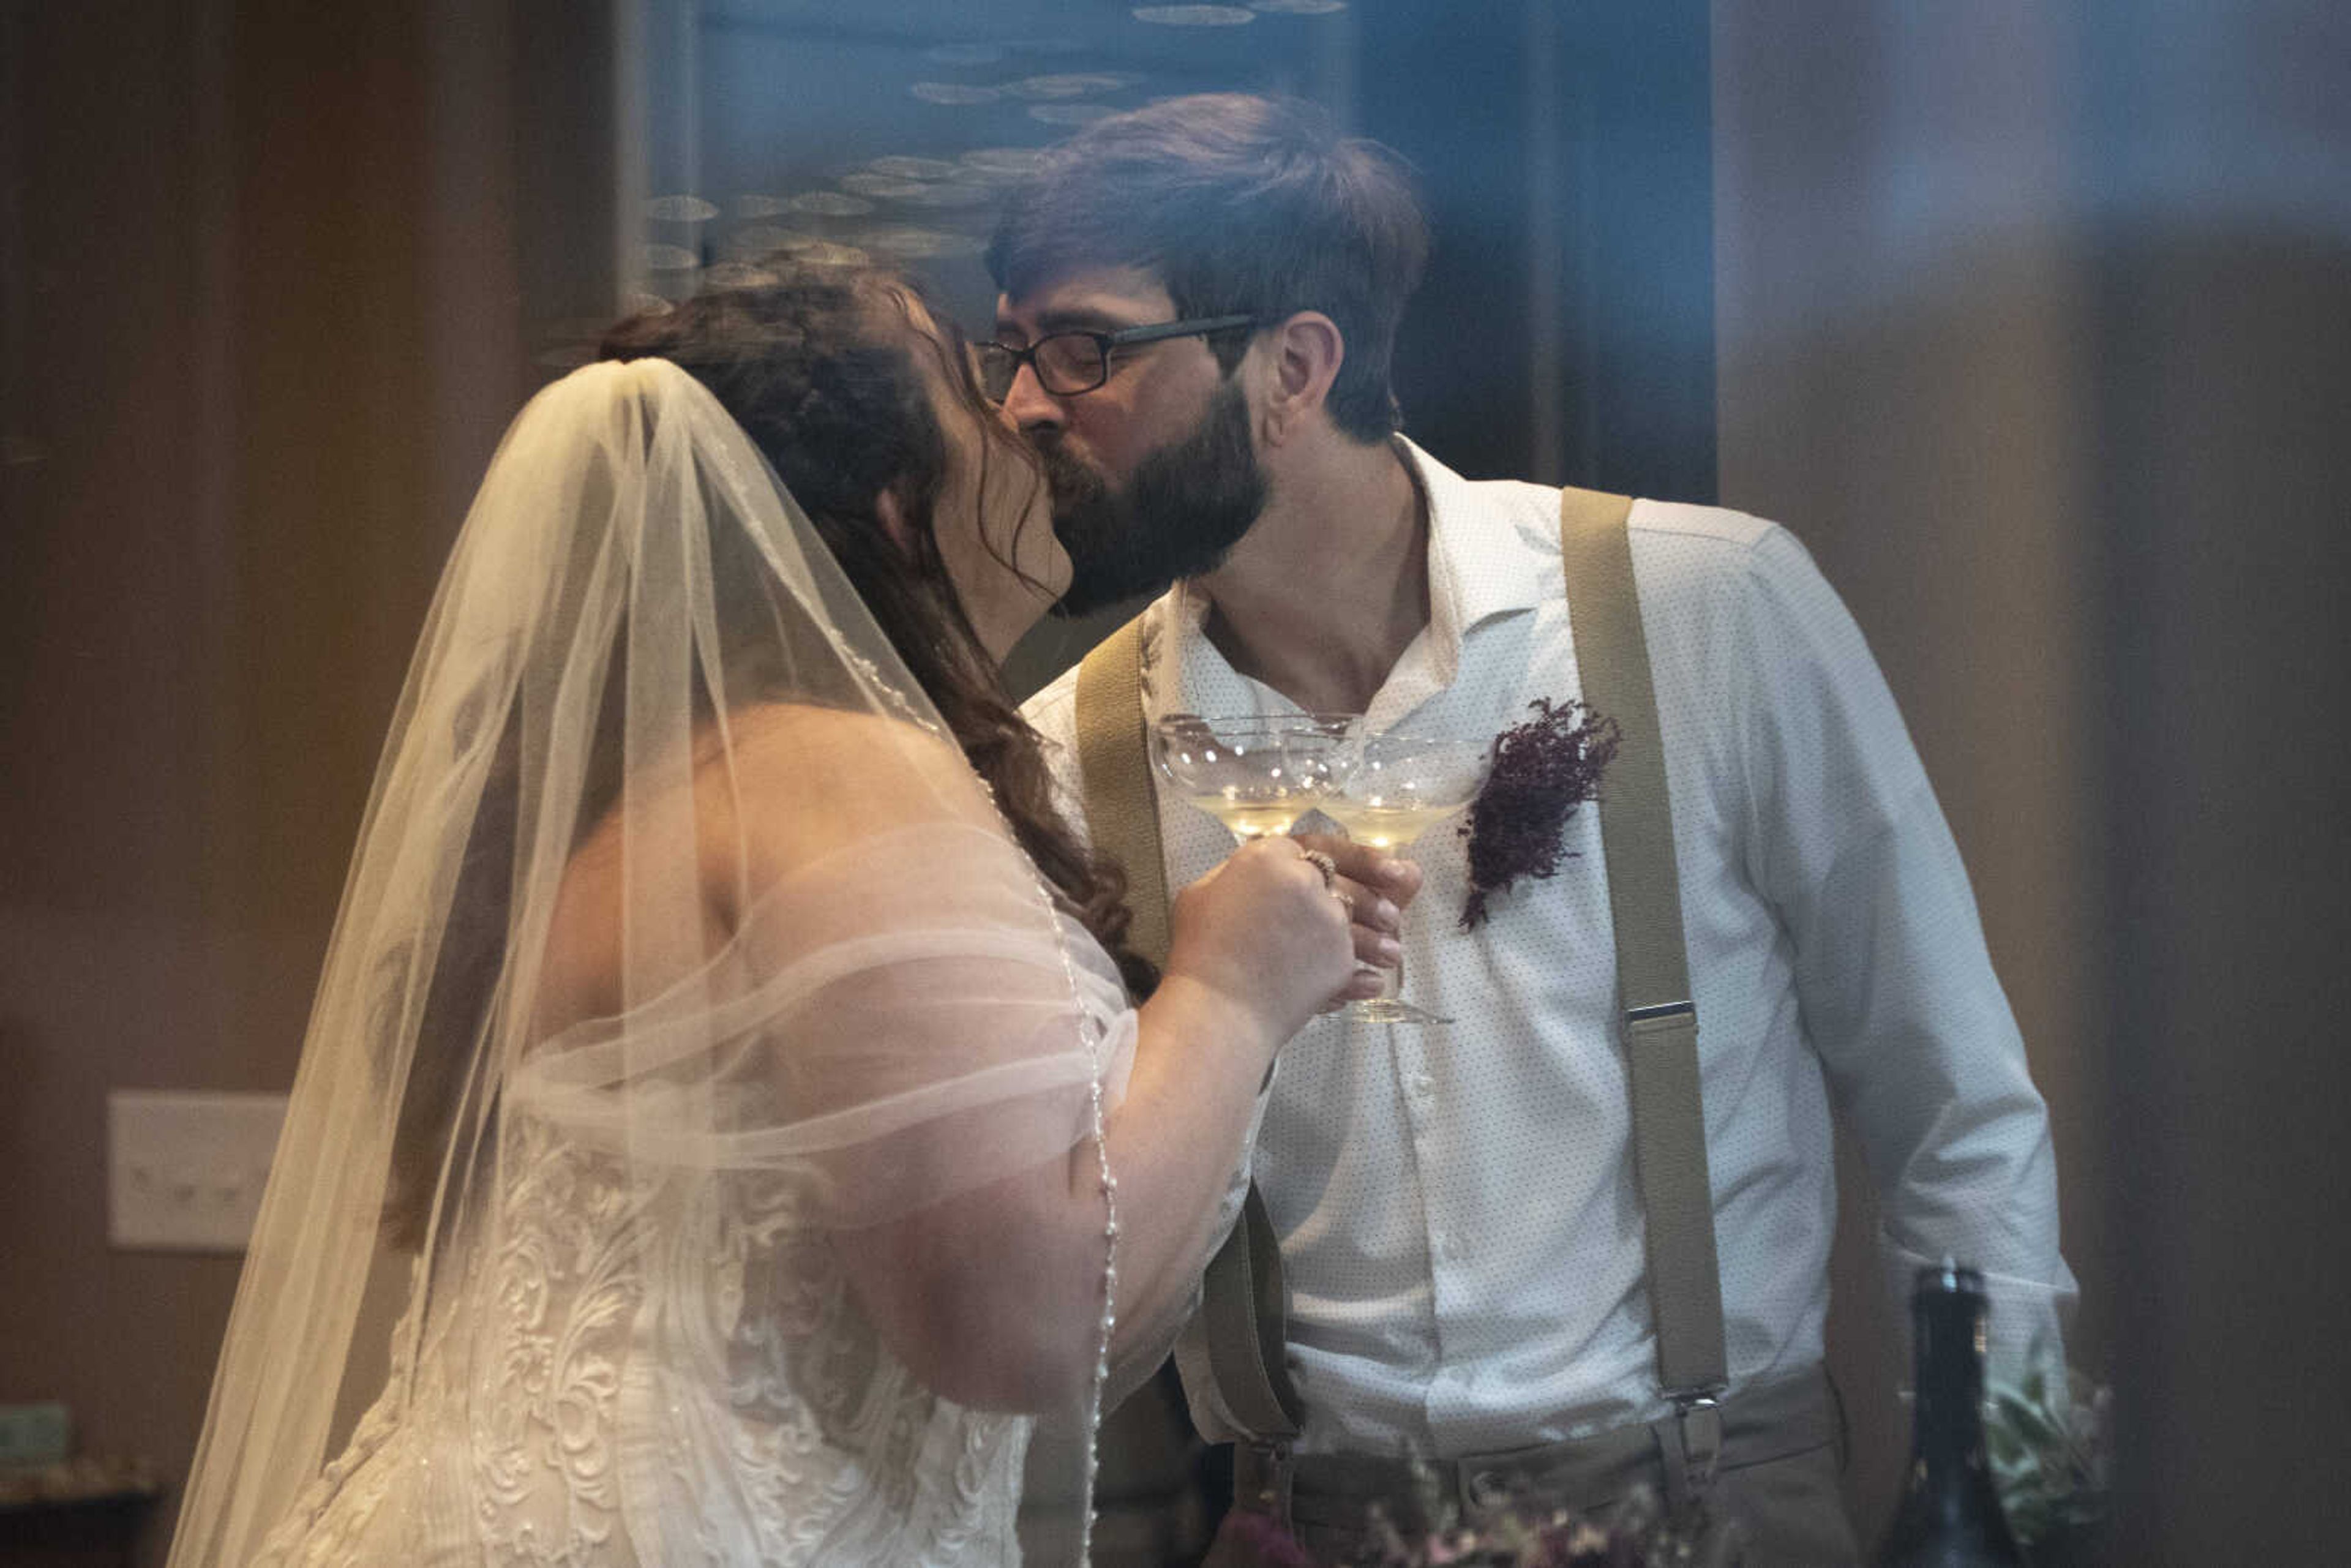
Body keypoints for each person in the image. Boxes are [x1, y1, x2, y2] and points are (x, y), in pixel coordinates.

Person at [166, 261, 1407, 1567]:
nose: (1027, 420)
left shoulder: (645, 798)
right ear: (893, 503)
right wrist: (1229, 989)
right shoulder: (835, 772)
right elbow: (1014, 1318)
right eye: (975, 395)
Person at [989, 94, 2078, 1563]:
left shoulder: (1710, 608)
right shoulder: (1068, 761)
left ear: (1292, 368)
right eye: (1016, 351)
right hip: (1306, 1530)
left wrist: (2004, 1494)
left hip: (1720, 1504)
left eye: (1085, 347)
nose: (1024, 406)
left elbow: (1951, 1100)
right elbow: (1083, 1255)